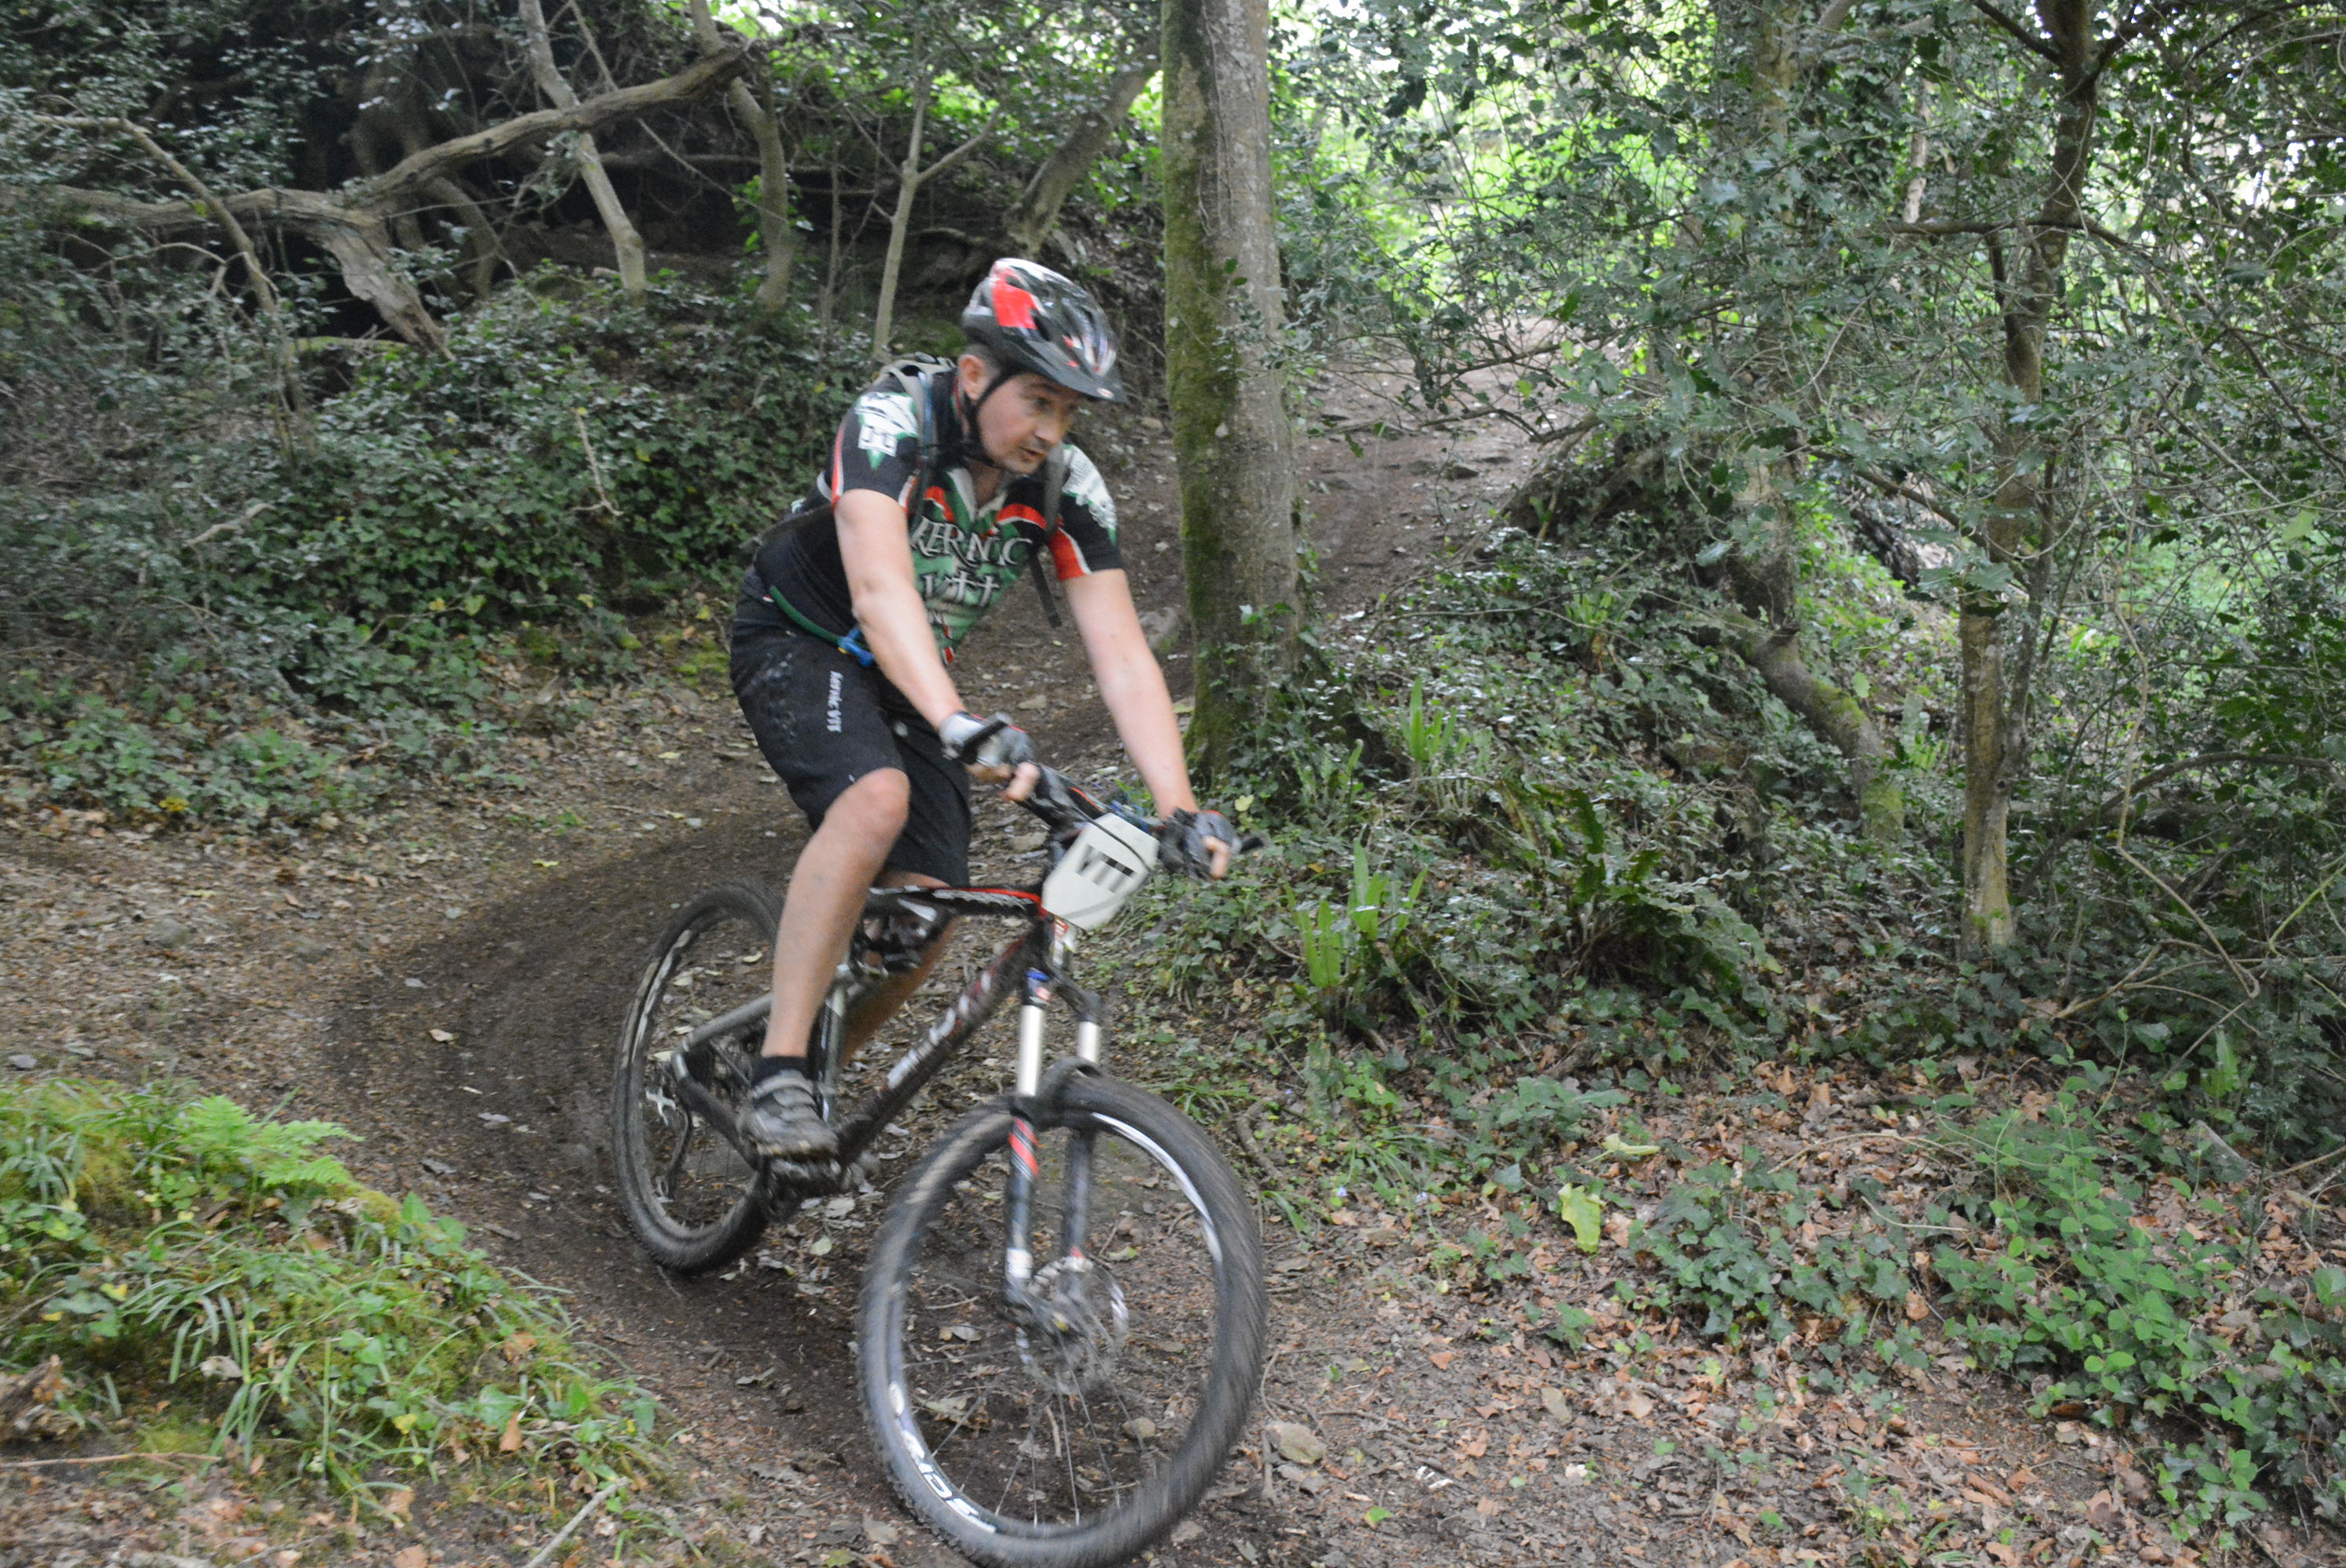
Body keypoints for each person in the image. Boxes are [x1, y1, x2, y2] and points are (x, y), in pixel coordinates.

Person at [728, 258, 1235, 1158]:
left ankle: (814, 1077)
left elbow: (1122, 652)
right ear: (973, 375)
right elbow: (880, 591)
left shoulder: (1066, 488)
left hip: (910, 674)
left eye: (1067, 411)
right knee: (875, 799)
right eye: (1037, 401)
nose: (1051, 430)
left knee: (929, 909)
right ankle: (776, 1075)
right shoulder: (891, 422)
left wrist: (1178, 806)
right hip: (800, 633)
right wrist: (955, 719)